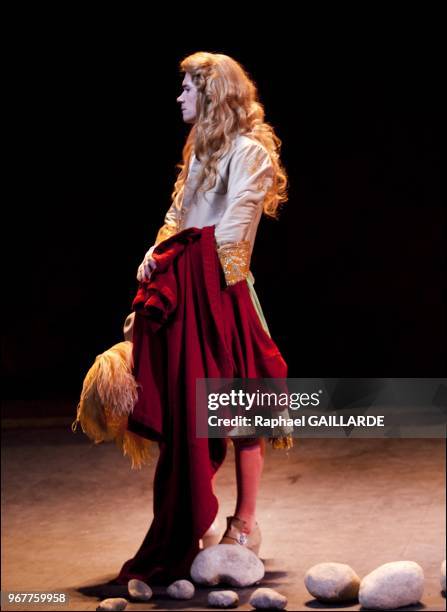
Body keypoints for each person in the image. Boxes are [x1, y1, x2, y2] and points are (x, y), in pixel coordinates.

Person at [111, 51, 292, 587]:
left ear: (213, 95)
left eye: (188, 87)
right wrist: (157, 249)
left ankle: (246, 522)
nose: (180, 96)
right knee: (189, 407)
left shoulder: (250, 152)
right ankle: (192, 516)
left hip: (223, 291)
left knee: (240, 405)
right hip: (186, 286)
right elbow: (179, 214)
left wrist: (178, 263)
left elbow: (234, 237)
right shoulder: (200, 150)